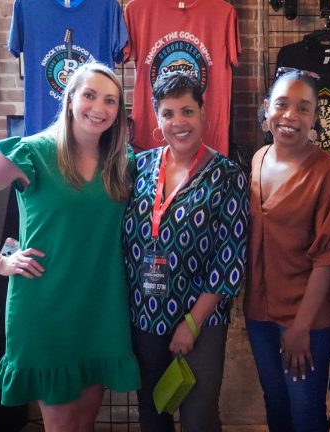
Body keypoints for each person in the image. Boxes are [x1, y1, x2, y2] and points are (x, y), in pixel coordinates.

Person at [0, 62, 140, 432]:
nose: (99, 108)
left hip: (101, 304)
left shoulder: (122, 161)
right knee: (62, 423)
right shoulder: (32, 153)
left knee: (85, 419)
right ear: (70, 99)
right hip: (45, 303)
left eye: (110, 101)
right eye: (90, 95)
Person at [122, 71, 249, 432]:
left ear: (203, 113)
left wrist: (191, 324)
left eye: (187, 111)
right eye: (168, 113)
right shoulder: (139, 167)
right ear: (157, 117)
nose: (178, 122)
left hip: (202, 318)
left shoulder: (228, 176)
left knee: (199, 417)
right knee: (153, 411)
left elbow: (230, 261)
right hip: (145, 314)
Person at [244, 67, 330, 432]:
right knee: (275, 403)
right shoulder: (258, 159)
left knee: (305, 411)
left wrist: (301, 326)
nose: (290, 115)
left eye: (303, 108)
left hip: (307, 320)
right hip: (259, 313)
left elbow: (328, 259)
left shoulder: (328, 172)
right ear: (266, 108)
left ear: (315, 117)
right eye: (282, 104)